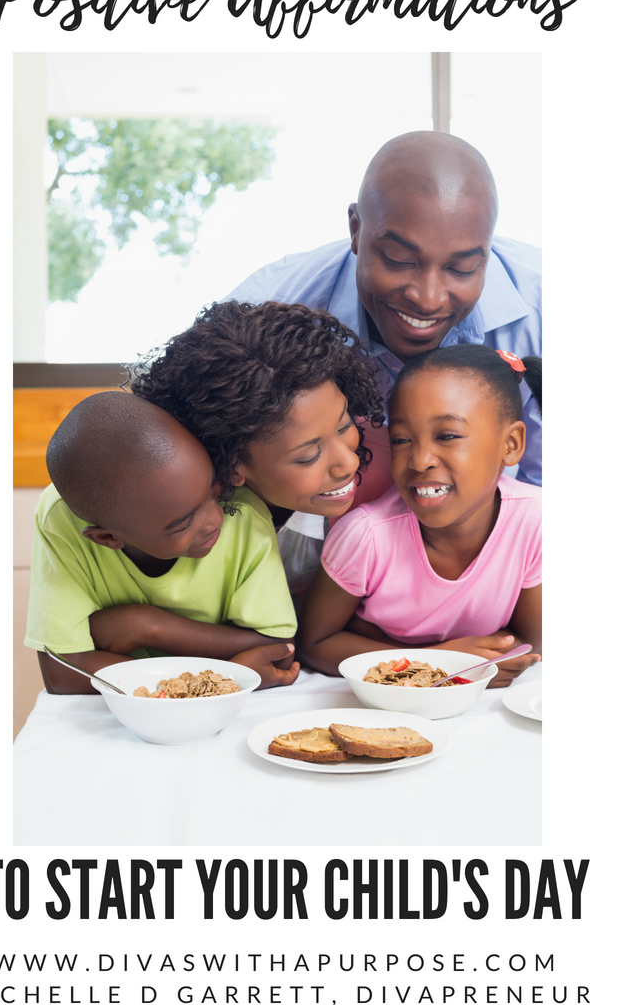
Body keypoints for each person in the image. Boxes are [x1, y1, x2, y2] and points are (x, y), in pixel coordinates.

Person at [225, 131, 542, 492]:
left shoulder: (544, 308)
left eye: (462, 269)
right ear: (356, 230)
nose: (428, 299)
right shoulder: (261, 314)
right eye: (399, 260)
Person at [299, 345, 542, 688]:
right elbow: (314, 645)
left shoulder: (535, 520)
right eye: (401, 439)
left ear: (512, 444)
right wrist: (439, 662)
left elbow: (532, 644)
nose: (419, 460)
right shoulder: (366, 535)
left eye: (447, 436)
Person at [25, 391, 299, 694]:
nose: (215, 519)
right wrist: (230, 672)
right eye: (183, 523)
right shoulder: (62, 517)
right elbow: (63, 673)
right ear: (107, 538)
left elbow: (279, 653)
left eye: (213, 489)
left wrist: (148, 626)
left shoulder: (243, 513)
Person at [128, 300, 385, 591]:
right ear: (232, 465)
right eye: (309, 455)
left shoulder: (389, 486)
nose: (349, 463)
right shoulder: (188, 529)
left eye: (344, 425)